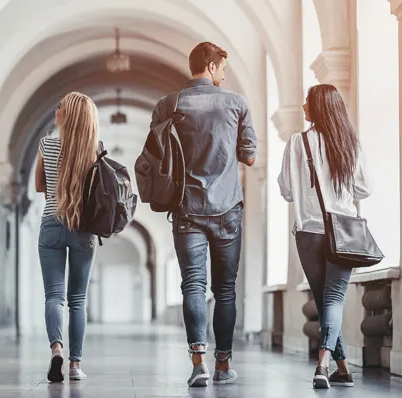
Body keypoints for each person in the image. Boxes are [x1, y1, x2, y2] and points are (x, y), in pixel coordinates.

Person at [150, 42, 257, 387]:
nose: (224, 74)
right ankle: (223, 365)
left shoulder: (168, 105)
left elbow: (156, 154)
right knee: (225, 290)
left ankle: (199, 364)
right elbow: (250, 156)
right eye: (222, 68)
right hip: (227, 209)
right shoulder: (236, 103)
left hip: (186, 209)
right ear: (211, 66)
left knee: (192, 285)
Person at [278, 83, 372, 389]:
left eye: (307, 102)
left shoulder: (297, 143)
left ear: (318, 107)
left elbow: (287, 191)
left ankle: (330, 366)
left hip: (308, 233)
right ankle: (333, 366)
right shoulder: (350, 144)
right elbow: (364, 189)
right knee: (331, 300)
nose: (304, 107)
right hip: (342, 232)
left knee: (324, 301)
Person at [34, 92, 99, 383]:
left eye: (59, 107)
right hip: (83, 227)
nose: (55, 110)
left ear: (67, 115)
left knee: (54, 297)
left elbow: (39, 186)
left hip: (51, 222)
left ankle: (56, 349)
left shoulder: (46, 143)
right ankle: (74, 365)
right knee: (78, 300)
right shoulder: (95, 149)